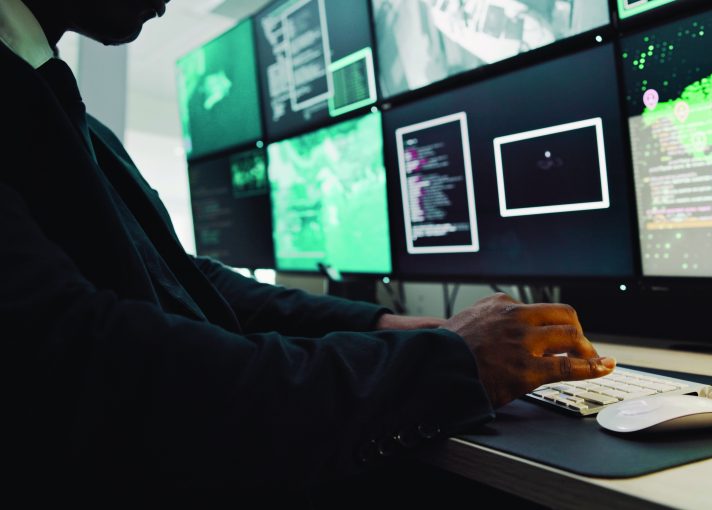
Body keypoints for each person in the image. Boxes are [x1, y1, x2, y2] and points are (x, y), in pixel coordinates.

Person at [0, 0, 616, 498]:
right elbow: (92, 361)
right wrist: (444, 363)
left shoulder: (54, 100)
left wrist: (387, 324)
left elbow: (183, 278)